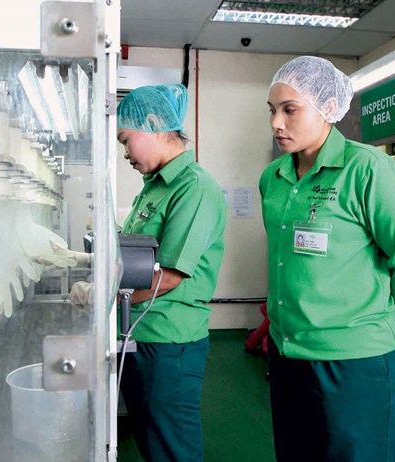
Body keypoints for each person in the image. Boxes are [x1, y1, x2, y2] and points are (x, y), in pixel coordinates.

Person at [259, 56, 395, 462]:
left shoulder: (370, 170)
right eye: (272, 110)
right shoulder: (273, 178)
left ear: (326, 108)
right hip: (290, 354)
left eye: (290, 109)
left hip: (355, 359)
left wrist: (383, 319)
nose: (276, 123)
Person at [116, 84, 227, 461]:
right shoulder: (153, 187)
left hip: (168, 343)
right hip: (141, 332)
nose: (125, 152)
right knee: (153, 442)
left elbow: (171, 274)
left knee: (172, 448)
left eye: (125, 140)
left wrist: (105, 296)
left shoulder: (193, 187)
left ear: (152, 124)